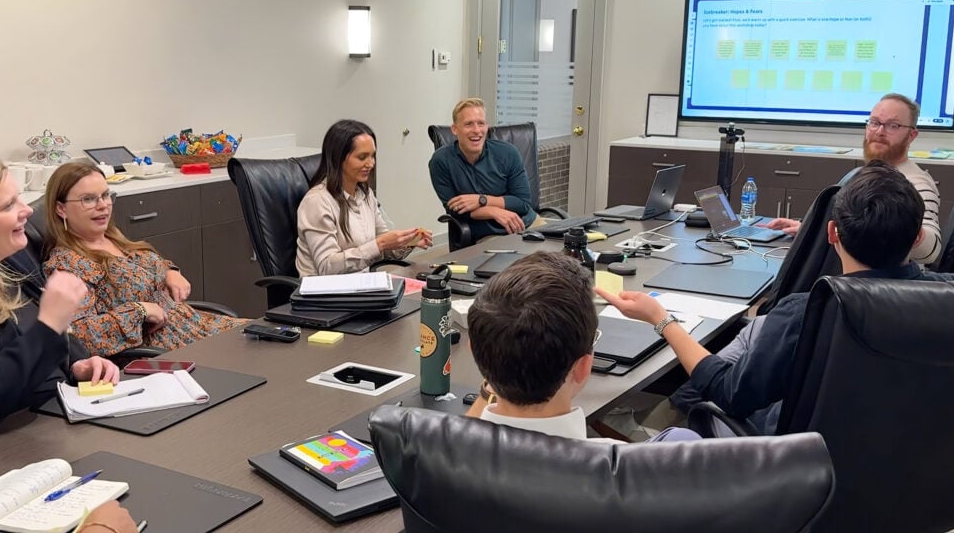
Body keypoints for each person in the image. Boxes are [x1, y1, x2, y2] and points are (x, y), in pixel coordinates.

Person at [598, 160, 954, 434]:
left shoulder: (810, 312)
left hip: (799, 470)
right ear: (918, 238)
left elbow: (730, 394)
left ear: (831, 234)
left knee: (740, 352)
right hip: (916, 478)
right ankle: (665, 409)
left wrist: (662, 320)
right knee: (754, 331)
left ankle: (650, 428)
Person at [0, 154, 118, 435]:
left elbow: (36, 346)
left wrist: (77, 364)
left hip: (52, 420)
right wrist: (50, 324)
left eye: (19, 198)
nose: (28, 211)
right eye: (8, 205)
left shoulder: (12, 259)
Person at [465, 251, 700, 443]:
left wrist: (495, 376)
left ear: (474, 352)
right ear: (583, 367)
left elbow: (460, 439)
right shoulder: (640, 471)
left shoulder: (436, 463)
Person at [43, 162, 248, 357]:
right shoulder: (68, 266)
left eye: (106, 195)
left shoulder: (112, 238)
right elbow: (81, 337)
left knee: (271, 337)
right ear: (61, 209)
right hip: (169, 349)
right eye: (88, 199)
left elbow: (142, 266)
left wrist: (170, 271)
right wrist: (139, 311)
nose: (103, 205)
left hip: (195, 325)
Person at [765, 92, 941, 264]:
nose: (880, 131)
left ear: (911, 135)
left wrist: (908, 231)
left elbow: (931, 252)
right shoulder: (864, 175)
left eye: (893, 125)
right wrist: (810, 230)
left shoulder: (916, 184)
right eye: (874, 122)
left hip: (880, 286)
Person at [297, 119, 432, 276]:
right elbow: (327, 267)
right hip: (324, 294)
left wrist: (409, 241)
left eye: (372, 156)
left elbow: (383, 246)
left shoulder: (365, 195)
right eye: (362, 157)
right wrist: (379, 244)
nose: (371, 163)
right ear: (339, 158)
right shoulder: (317, 201)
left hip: (361, 286)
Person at [428, 98, 539, 241]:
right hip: (488, 234)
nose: (476, 131)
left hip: (526, 224)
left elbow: (523, 204)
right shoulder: (440, 161)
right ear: (455, 129)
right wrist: (494, 211)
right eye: (468, 124)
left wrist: (481, 200)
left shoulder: (508, 153)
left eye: (481, 123)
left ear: (487, 126)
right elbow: (456, 210)